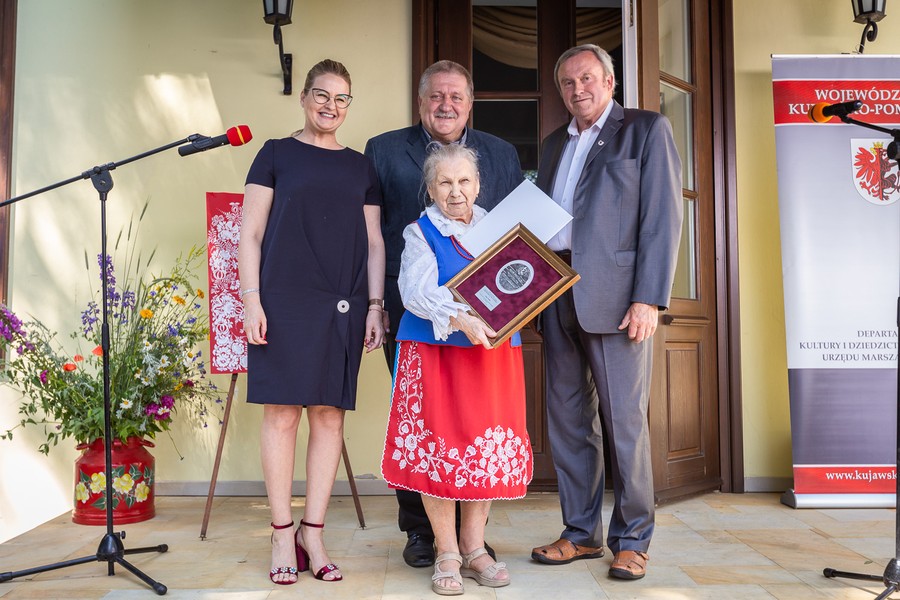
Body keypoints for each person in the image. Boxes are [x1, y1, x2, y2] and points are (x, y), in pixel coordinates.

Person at [529, 44, 683, 580]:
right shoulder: (553, 144)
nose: (578, 90)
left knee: (624, 423)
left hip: (619, 301)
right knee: (569, 421)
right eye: (568, 83)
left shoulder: (645, 130)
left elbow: (662, 219)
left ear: (610, 82)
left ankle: (633, 539)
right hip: (556, 294)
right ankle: (580, 534)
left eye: (588, 79)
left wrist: (649, 298)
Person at [365, 60, 523, 568]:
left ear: (470, 103)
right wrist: (374, 304)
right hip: (415, 316)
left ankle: (471, 542)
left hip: (491, 329)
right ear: (420, 102)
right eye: (436, 96)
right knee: (428, 428)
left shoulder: (501, 154)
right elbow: (370, 236)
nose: (446, 105)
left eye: (456, 96)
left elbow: (519, 244)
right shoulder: (384, 150)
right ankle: (424, 534)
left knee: (478, 431)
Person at [238, 58, 385, 585]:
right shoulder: (275, 154)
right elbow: (250, 233)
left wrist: (375, 305)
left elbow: (374, 242)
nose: (331, 105)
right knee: (281, 414)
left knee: (329, 416)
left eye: (342, 98)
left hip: (341, 303)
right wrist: (251, 301)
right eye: (322, 94)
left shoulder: (360, 167)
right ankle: (282, 533)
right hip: (281, 301)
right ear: (303, 98)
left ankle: (313, 533)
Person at [381, 143, 533, 596]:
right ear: (430, 189)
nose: (455, 191)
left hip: (492, 353)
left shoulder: (500, 229)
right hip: (437, 353)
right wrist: (461, 318)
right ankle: (446, 551)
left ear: (478, 185)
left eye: (464, 181)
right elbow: (414, 291)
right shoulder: (420, 231)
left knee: (484, 447)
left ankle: (474, 547)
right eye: (444, 182)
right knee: (440, 446)